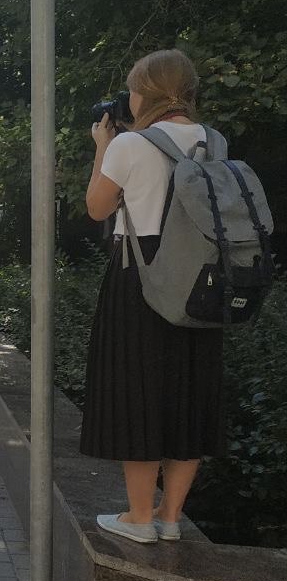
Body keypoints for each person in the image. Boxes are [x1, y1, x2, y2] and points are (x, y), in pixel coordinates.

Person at [81, 48, 225, 544]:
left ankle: (139, 517)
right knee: (190, 391)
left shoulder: (130, 144)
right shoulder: (215, 141)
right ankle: (170, 516)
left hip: (139, 275)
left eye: (133, 88)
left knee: (136, 390)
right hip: (201, 279)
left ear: (148, 91)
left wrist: (103, 146)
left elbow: (98, 208)